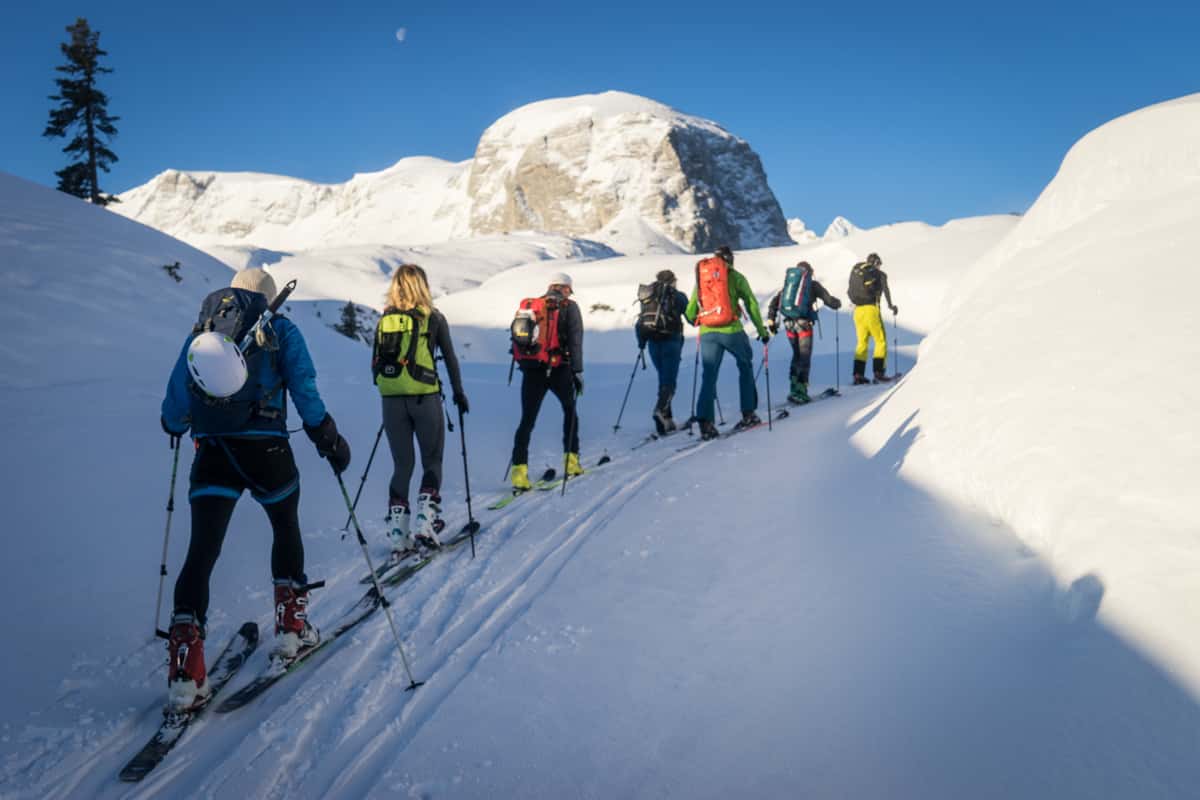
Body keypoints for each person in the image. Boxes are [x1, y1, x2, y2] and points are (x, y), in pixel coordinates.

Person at [160, 267, 350, 711]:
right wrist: (328, 437)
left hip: (213, 453)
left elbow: (176, 403)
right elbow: (304, 388)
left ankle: (186, 671)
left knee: (202, 551)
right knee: (285, 526)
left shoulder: (203, 332)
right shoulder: (281, 329)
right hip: (268, 452)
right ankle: (291, 630)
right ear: (268, 297)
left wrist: (176, 423)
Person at [373, 264, 468, 554]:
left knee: (402, 466)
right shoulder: (434, 317)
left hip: (391, 399)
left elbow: (375, 363)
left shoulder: (386, 318)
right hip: (425, 398)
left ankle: (398, 534)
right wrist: (458, 393)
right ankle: (427, 523)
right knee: (432, 460)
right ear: (423, 286)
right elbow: (450, 358)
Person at [685, 246, 770, 440]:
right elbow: (751, 304)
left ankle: (706, 423)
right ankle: (748, 413)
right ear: (731, 260)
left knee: (709, 375)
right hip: (731, 331)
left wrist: (698, 321)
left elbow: (690, 310)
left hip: (707, 332)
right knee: (745, 366)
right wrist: (761, 331)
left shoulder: (703, 277)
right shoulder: (736, 277)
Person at [509, 272, 584, 490]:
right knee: (570, 411)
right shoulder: (570, 307)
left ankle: (519, 472)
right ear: (566, 288)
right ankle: (571, 463)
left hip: (533, 370)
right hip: (560, 368)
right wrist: (578, 372)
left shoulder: (532, 307)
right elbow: (576, 341)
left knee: (527, 420)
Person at [765, 261, 842, 404]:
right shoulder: (812, 285)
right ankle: (801, 391)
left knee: (796, 355)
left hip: (788, 325)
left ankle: (793, 388)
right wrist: (837, 303)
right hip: (804, 325)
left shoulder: (788, 287)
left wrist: (771, 321)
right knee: (804, 357)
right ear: (809, 272)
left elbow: (774, 303)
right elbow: (829, 300)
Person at [634, 269, 690, 434]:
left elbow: (641, 321)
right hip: (671, 341)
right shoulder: (677, 296)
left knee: (663, 379)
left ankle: (668, 419)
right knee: (669, 381)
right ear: (673, 281)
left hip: (653, 343)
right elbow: (691, 316)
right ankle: (659, 411)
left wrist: (641, 343)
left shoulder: (649, 295)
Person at [847, 252, 898, 384]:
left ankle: (858, 375)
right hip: (871, 309)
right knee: (880, 341)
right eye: (879, 264)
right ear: (876, 263)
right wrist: (891, 306)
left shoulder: (859, 273)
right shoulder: (880, 275)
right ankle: (879, 373)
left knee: (862, 343)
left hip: (857, 311)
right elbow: (886, 291)